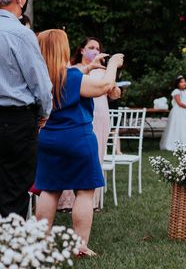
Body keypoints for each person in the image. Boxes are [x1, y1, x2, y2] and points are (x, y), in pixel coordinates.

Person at [34, 29, 123, 257]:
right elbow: (105, 87)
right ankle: (79, 246)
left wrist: (88, 67)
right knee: (84, 191)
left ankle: (41, 243)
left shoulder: (40, 78)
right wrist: (113, 63)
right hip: (78, 138)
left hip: (48, 139)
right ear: (61, 49)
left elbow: (67, 76)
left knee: (49, 189)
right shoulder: (72, 77)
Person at [0, 0, 52, 218]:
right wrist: (44, 112)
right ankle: (10, 254)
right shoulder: (20, 33)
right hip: (15, 122)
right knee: (14, 191)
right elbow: (40, 83)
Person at [58, 37, 122, 210]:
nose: (95, 50)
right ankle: (66, 202)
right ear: (82, 50)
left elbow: (114, 95)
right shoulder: (74, 69)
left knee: (96, 157)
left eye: (97, 47)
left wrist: (114, 89)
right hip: (80, 118)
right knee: (73, 159)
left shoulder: (103, 72)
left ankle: (91, 201)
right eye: (91, 47)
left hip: (101, 119)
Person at [160, 76, 186, 151]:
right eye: (181, 82)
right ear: (178, 84)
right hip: (180, 111)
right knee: (180, 126)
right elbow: (179, 103)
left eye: (185, 81)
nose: (184, 83)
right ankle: (177, 144)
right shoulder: (176, 91)